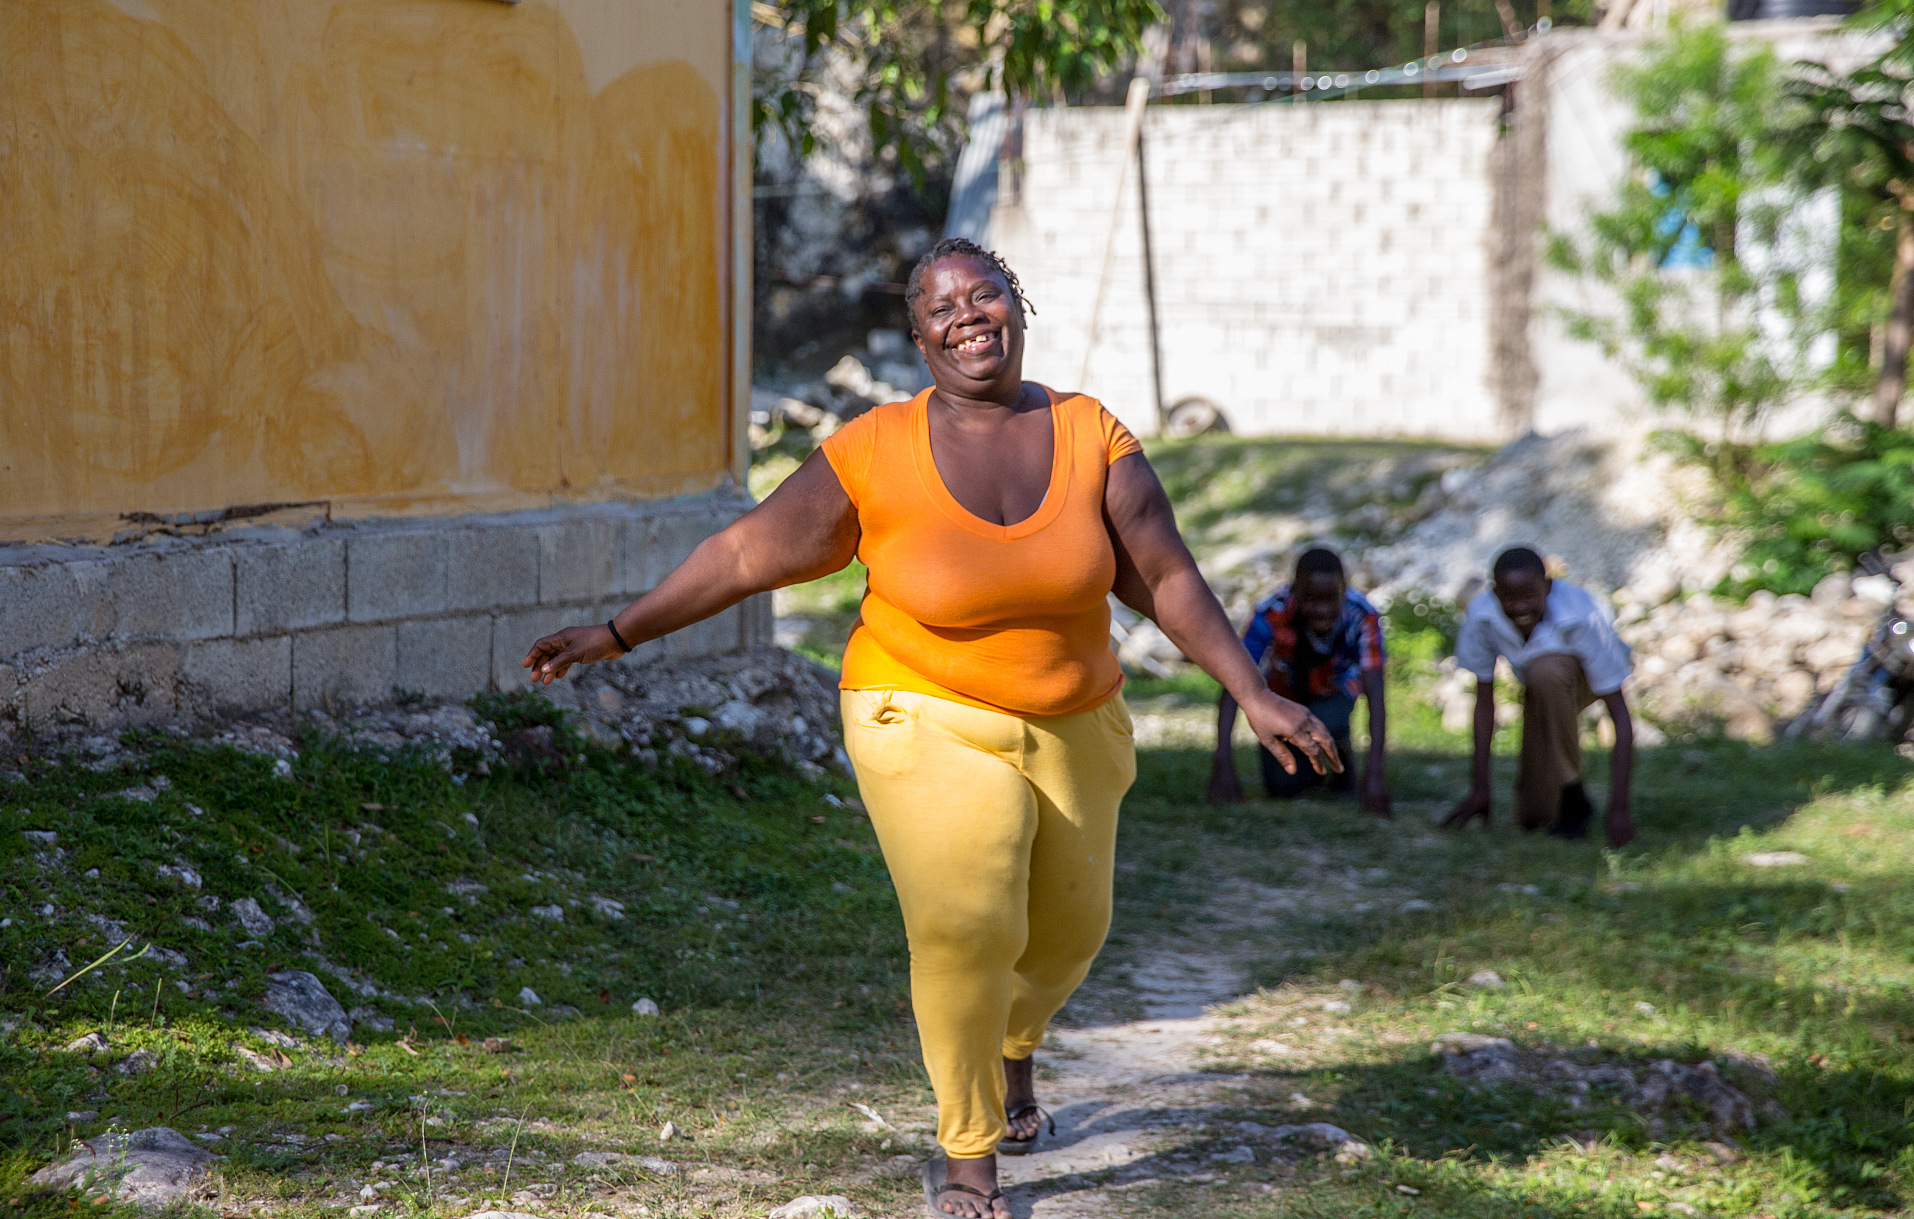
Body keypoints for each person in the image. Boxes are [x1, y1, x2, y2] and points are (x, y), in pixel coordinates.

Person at [522, 237, 1339, 1219]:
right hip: (916, 707)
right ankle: (968, 1153)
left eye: (982, 296)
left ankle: (1013, 1044)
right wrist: (619, 632)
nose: (965, 319)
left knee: (1068, 935)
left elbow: (1165, 577)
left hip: (1075, 716)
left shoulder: (1092, 434)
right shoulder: (874, 449)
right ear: (919, 340)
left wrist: (1254, 692)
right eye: (940, 309)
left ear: (1015, 305)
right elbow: (742, 554)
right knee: (967, 922)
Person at [1441, 546, 1637, 847]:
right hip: (1537, 688)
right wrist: (1480, 788)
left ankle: (1574, 796)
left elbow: (1619, 713)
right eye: (1509, 598)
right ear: (1494, 592)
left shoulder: (1583, 615)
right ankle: (1566, 801)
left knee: (1546, 672)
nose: (1520, 607)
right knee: (1534, 817)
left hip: (1584, 680)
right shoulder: (1481, 616)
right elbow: (1484, 702)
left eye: (1529, 596)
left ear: (1548, 586)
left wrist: (1619, 809)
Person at [1206, 547, 1390, 815]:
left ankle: (1341, 753)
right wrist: (1222, 760)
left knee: (1327, 721)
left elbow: (1375, 690)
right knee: (1283, 787)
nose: (1322, 610)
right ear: (1294, 591)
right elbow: (1235, 679)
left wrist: (1374, 772)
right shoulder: (1270, 612)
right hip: (1285, 701)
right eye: (1311, 599)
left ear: (1344, 591)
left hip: (1334, 696)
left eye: (1331, 599)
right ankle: (1319, 763)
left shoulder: (1362, 614)